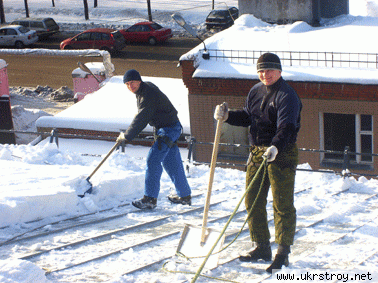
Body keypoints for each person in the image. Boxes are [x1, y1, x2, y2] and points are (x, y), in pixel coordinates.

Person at [214, 53, 302, 273]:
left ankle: (282, 253)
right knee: (252, 200)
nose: (265, 75)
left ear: (279, 71)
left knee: (281, 204)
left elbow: (287, 127)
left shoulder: (287, 95)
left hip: (280, 152)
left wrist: (276, 146)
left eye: (270, 70)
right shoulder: (255, 91)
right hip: (257, 152)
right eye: (261, 71)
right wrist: (228, 117)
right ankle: (261, 246)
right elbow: (248, 117)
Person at [119, 69, 191, 210]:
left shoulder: (147, 95)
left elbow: (142, 118)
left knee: (153, 160)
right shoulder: (145, 90)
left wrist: (126, 136)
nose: (130, 86)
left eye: (132, 82)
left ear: (139, 80)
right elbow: (149, 113)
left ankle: (150, 199)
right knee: (171, 162)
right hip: (169, 128)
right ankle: (185, 196)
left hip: (168, 130)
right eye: (127, 84)